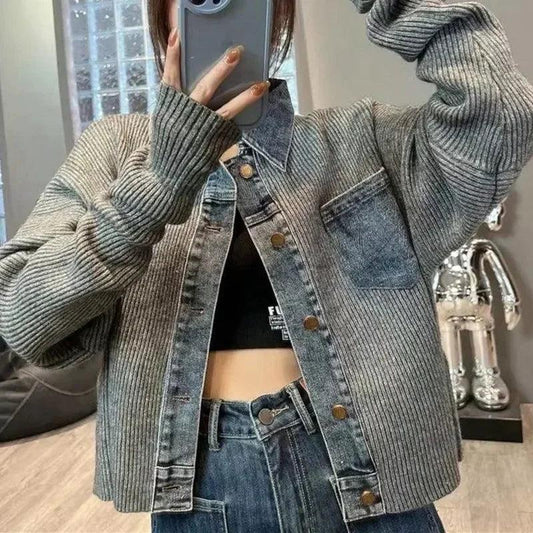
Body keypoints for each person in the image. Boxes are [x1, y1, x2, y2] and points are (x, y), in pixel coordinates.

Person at [0, 0, 532, 532]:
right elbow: (21, 313)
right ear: (163, 15)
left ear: (276, 12)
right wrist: (159, 183)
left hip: (377, 482)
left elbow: (501, 113)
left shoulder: (359, 139)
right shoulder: (115, 150)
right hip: (200, 491)